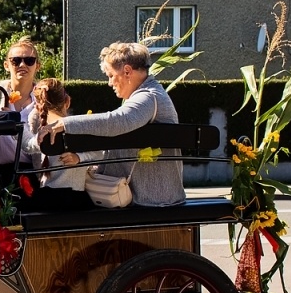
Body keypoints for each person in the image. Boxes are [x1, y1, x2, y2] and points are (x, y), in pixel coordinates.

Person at [41, 41, 184, 208]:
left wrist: (65, 123)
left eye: (110, 75)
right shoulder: (150, 95)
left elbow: (118, 121)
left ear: (127, 71)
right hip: (149, 195)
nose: (109, 83)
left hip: (152, 198)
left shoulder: (148, 97)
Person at [17, 78, 96, 212]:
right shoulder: (79, 126)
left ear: (38, 107)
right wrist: (79, 158)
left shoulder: (43, 132)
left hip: (48, 198)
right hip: (76, 197)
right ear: (68, 101)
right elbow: (99, 152)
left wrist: (14, 117)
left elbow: (26, 144)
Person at [0, 38, 41, 174]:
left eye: (29, 61)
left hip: (31, 171)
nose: (22, 65)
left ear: (37, 66)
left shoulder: (43, 97)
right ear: (6, 65)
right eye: (16, 60)